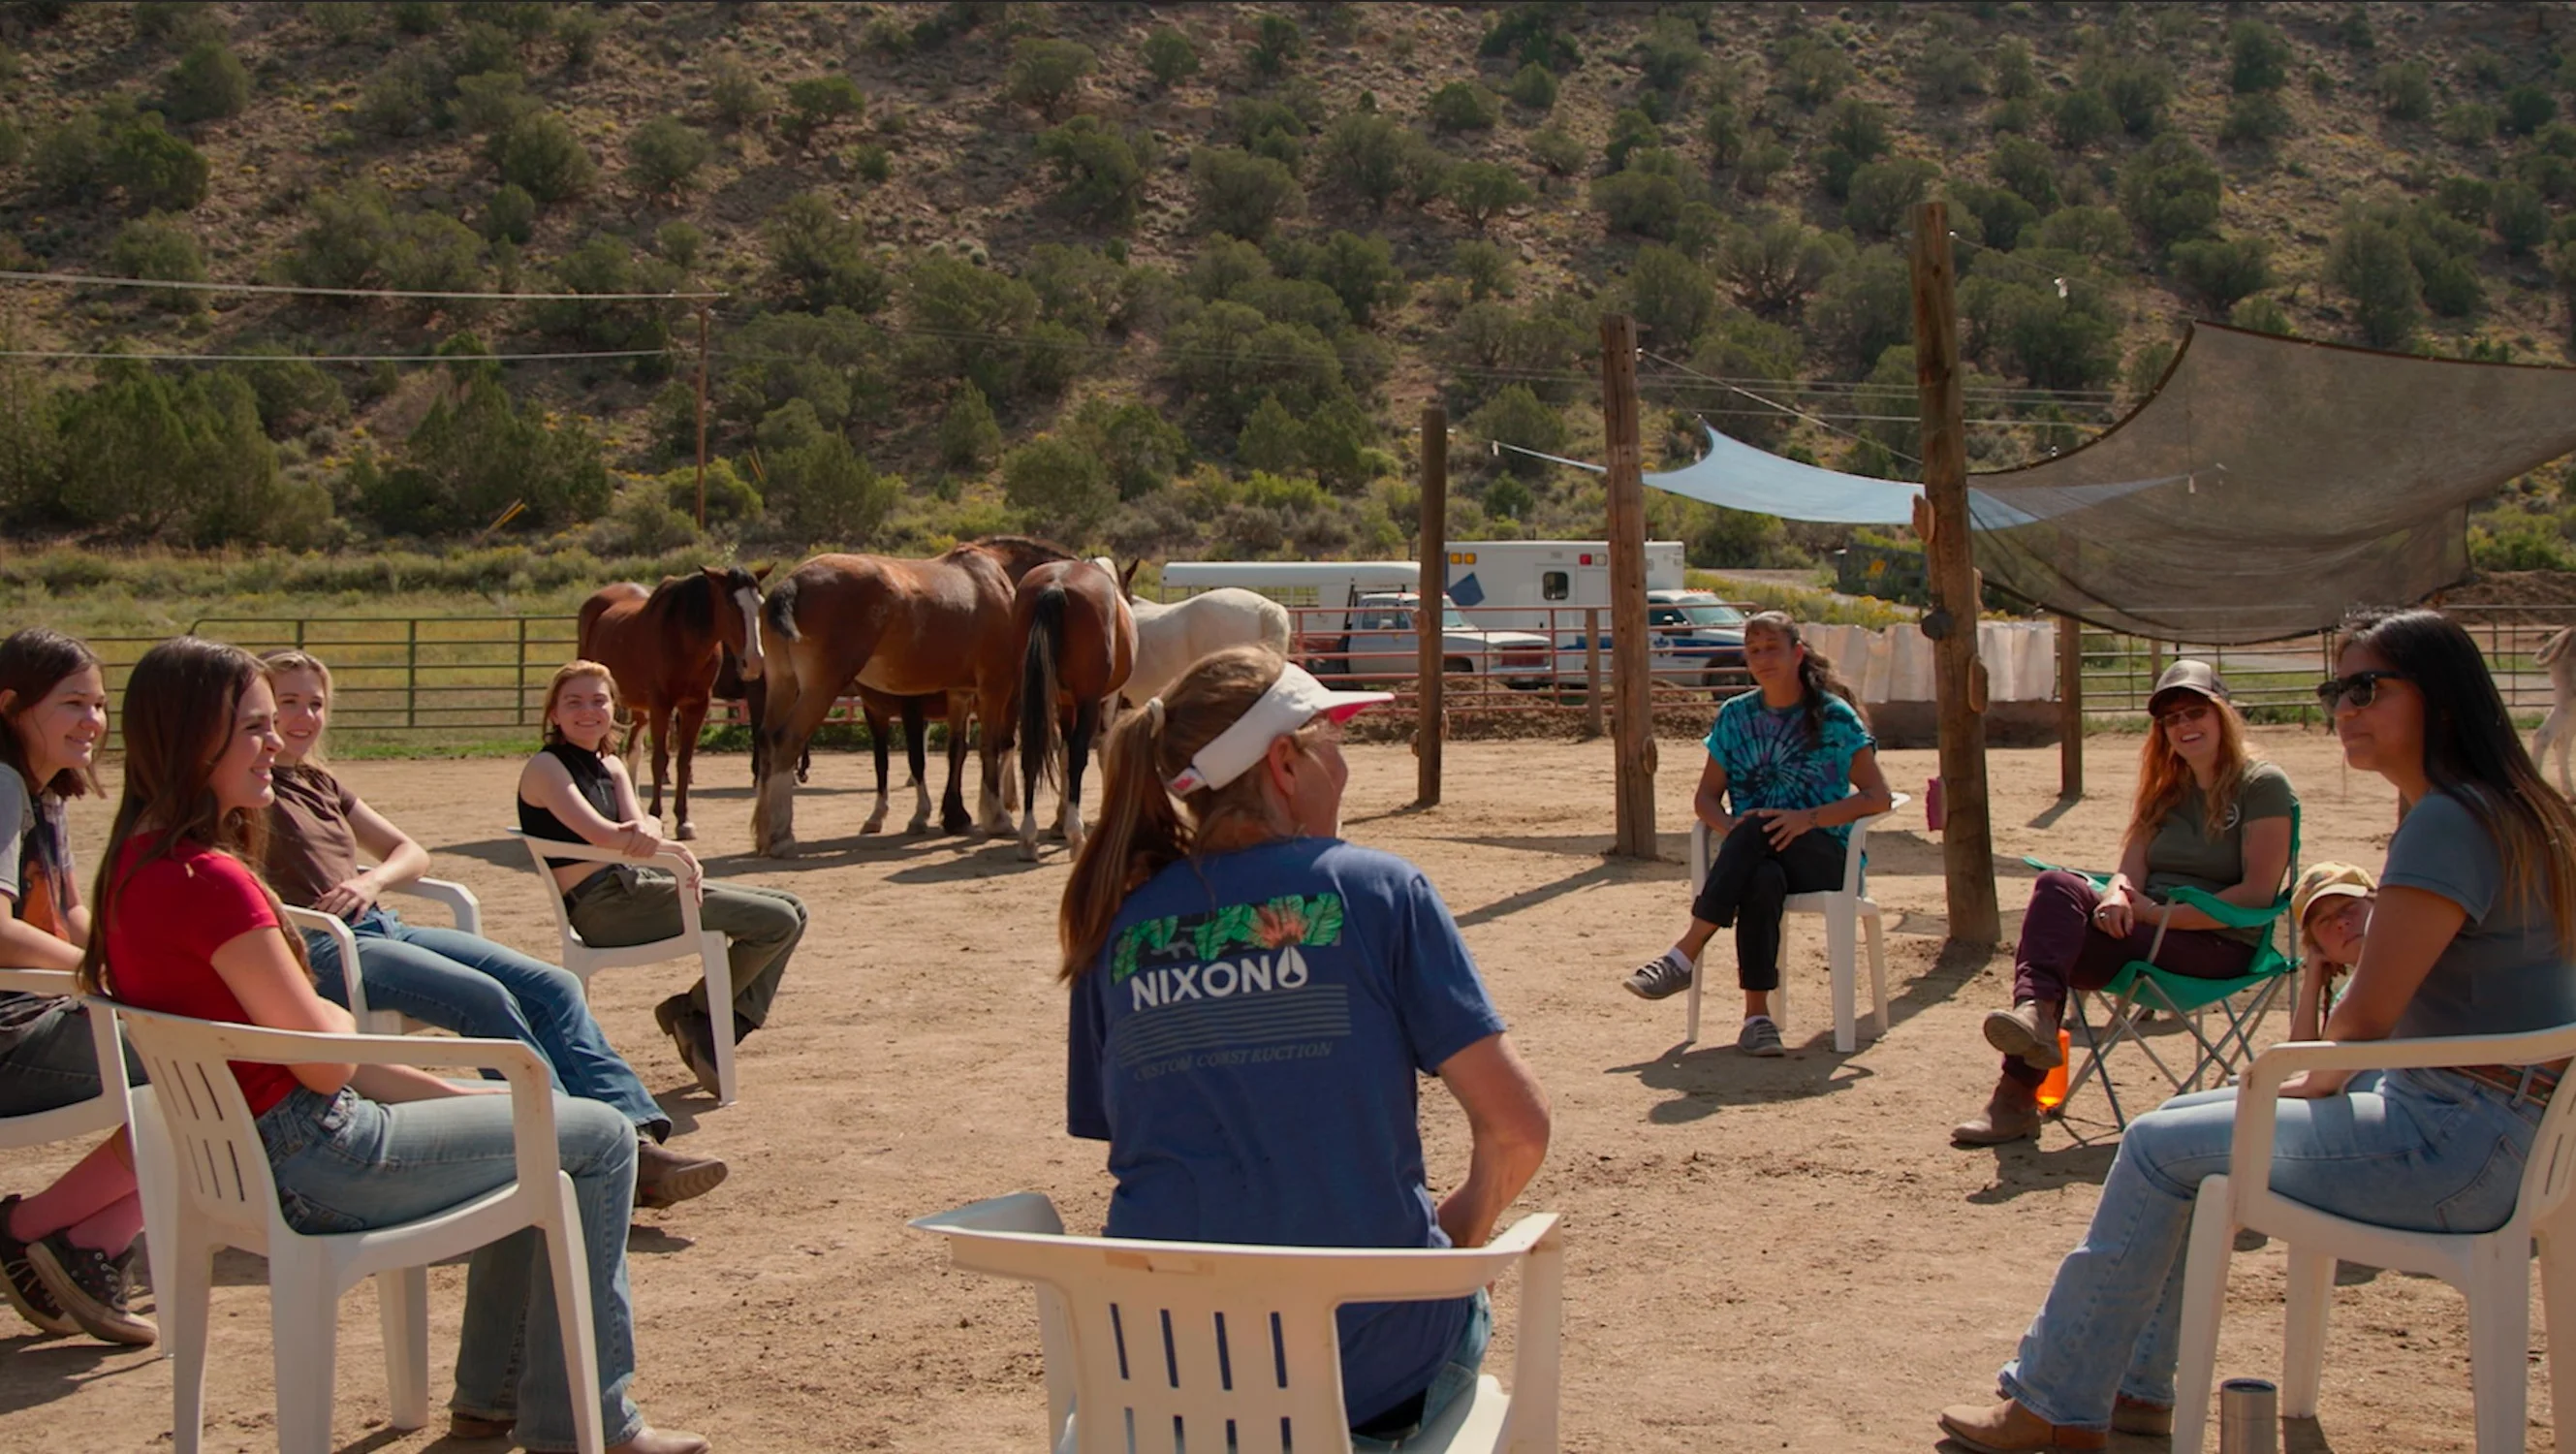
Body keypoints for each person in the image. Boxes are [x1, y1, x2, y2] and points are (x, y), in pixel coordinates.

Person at [1938, 608, 2576, 1453]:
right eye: (2334, 689)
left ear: (2445, 699)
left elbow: (2367, 1019)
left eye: (2367, 687)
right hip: (2516, 1130)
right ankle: (2131, 1390)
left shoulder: (2448, 822)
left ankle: (2055, 1404)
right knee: (2182, 1135)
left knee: (2161, 1146)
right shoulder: (2508, 807)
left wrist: (2296, 1079)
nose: (2343, 708)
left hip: (2457, 1141)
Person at [87, 636, 707, 1454]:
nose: (277, 742)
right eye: (255, 727)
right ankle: (588, 1418)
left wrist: (468, 1096)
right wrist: (331, 1016)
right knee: (594, 1138)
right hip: (318, 1159)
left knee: (539, 1120)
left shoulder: (134, 864)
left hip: (249, 1156)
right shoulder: (215, 881)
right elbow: (327, 1059)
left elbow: (303, 1051)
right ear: (191, 735)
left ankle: (490, 1403)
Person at [1059, 647, 1553, 1446]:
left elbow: (1145, 1139)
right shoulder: (1378, 891)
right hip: (1363, 1378)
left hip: (1165, 1373)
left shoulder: (1114, 926)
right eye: (1334, 743)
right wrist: (1455, 1239)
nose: (1345, 768)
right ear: (1284, 762)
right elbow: (1518, 1129)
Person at [260, 650, 726, 1210]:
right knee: (486, 999)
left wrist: (371, 882)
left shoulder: (319, 780)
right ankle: (564, 1153)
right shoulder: (248, 790)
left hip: (379, 925)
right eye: (288, 703)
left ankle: (633, 1139)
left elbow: (411, 852)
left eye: (315, 704)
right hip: (326, 946)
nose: (305, 717)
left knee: (553, 986)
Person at [1954, 660, 2298, 1146]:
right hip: (2144, 935)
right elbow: (2129, 870)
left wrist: (2154, 914)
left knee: (2058, 944)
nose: (2184, 726)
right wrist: (2116, 894)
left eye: (2196, 712)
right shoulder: (2164, 788)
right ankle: (2035, 1018)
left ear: (2223, 714)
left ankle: (2014, 1097)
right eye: (2171, 719)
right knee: (2056, 887)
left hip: (2217, 945)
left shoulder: (2262, 785)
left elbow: (2257, 893)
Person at [517, 662, 804, 1094]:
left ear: (614, 708)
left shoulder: (611, 765)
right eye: (573, 702)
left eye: (599, 700)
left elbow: (644, 827)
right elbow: (605, 834)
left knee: (793, 909)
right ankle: (701, 1016)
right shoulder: (547, 767)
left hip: (636, 885)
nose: (588, 711)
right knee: (777, 921)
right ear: (554, 714)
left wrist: (662, 841)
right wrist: (657, 838)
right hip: (604, 908)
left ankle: (704, 1019)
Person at [1618, 612, 1894, 1057]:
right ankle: (1757, 1019)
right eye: (1754, 651)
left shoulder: (1831, 716)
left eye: (1772, 649)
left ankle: (1685, 953)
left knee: (1755, 831)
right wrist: (1730, 828)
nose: (1763, 659)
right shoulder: (1735, 716)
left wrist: (1807, 819)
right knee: (1759, 872)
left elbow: (1877, 796)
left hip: (1824, 857)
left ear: (1797, 653)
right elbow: (1706, 799)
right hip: (1752, 857)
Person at [0, 628, 153, 1345]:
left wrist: (137, 954)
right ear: (10, 705)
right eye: (72, 703)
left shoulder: (41, 792)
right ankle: (51, 1235)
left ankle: (66, 1238)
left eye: (98, 704)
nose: (93, 720)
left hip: (37, 1013)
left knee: (221, 1049)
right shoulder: (0, 784)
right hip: (11, 1033)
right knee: (223, 1057)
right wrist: (104, 970)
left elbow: (65, 914)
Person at [2287, 861, 2373, 1042]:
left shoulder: (2418, 963)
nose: (2341, 922)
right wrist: (2313, 981)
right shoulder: (2346, 997)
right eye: (2325, 921)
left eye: (2350, 907)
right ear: (2317, 946)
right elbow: (2299, 1060)